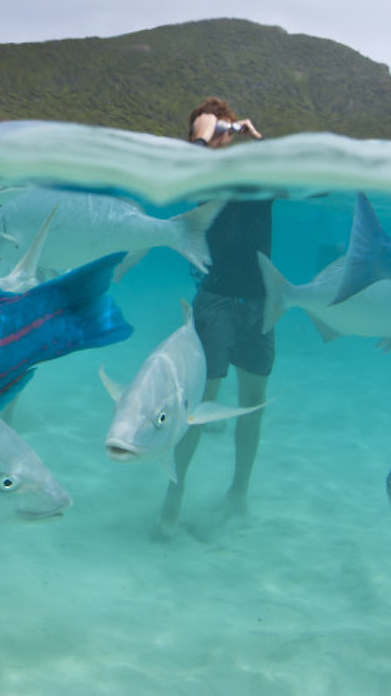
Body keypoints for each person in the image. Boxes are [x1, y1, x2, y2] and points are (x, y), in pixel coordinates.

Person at [159, 96, 269, 538]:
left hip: (261, 302)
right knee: (201, 404)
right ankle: (173, 499)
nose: (224, 138)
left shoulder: (256, 173)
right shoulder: (202, 172)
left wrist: (256, 143)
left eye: (228, 129)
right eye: (211, 132)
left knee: (253, 404)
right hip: (218, 299)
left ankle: (238, 493)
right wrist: (203, 138)